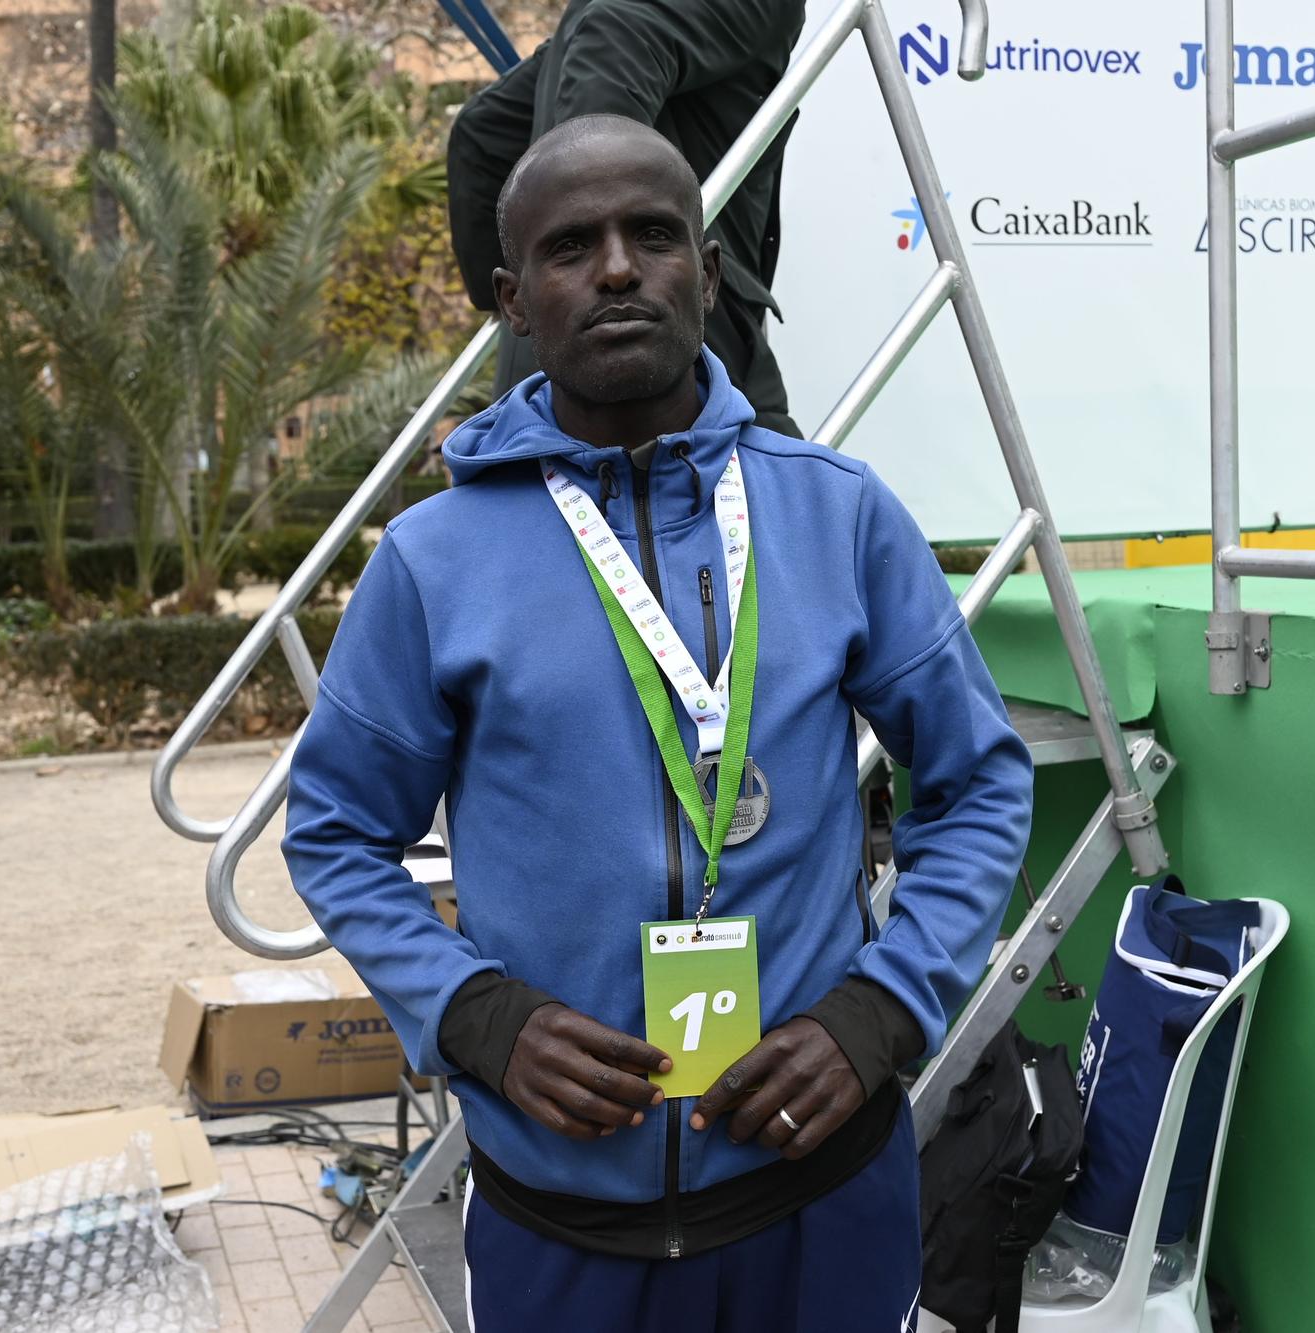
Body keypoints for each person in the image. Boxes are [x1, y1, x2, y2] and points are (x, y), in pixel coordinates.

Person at [286, 117, 1032, 1329]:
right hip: (558, 1218)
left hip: (823, 1192)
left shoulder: (835, 515)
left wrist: (880, 1007)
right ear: (512, 299)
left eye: (653, 234)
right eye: (571, 246)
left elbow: (978, 783)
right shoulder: (434, 562)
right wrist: (476, 1015)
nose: (619, 268)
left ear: (710, 271)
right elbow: (332, 832)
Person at [446, 0, 806, 436]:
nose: (615, 267)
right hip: (677, 385)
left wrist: (535, 307)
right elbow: (615, 34)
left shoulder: (591, 15)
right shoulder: (607, 20)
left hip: (548, 392)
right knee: (802, 497)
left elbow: (480, 133)